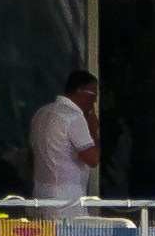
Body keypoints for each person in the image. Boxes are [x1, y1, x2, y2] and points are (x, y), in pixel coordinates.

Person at [30, 72, 103, 202]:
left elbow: (31, 156)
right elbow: (93, 159)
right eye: (93, 94)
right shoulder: (74, 117)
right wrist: (93, 130)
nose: (95, 100)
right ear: (80, 92)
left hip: (40, 195)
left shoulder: (41, 113)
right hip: (67, 199)